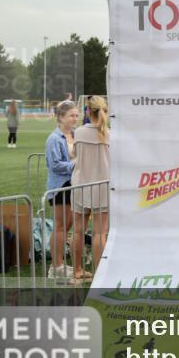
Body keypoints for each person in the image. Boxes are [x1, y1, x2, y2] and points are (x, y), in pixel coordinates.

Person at [72, 96, 111, 278]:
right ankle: (99, 274)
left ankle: (78, 270)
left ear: (88, 111)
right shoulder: (111, 134)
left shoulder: (79, 132)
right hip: (102, 187)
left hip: (81, 185)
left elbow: (74, 154)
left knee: (78, 230)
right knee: (100, 232)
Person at [45, 100, 82, 281]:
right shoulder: (54, 138)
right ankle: (56, 266)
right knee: (60, 227)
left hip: (74, 184)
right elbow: (55, 165)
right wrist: (76, 164)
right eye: (71, 115)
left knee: (67, 226)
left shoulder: (76, 134)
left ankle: (59, 264)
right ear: (60, 117)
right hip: (60, 187)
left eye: (76, 115)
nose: (75, 118)